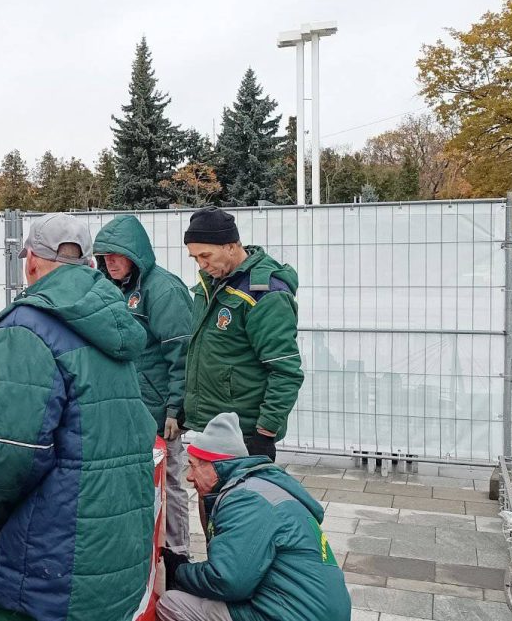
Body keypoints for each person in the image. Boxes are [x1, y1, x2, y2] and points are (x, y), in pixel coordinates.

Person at [0, 213, 157, 621]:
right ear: (90, 264)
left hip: (55, 564)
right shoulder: (114, 326)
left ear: (31, 260)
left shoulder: (27, 328)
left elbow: (11, 452)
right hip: (117, 549)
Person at [158, 412, 350, 621]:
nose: (189, 476)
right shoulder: (261, 488)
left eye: (194, 465)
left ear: (215, 465)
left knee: (172, 603)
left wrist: (177, 571)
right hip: (312, 610)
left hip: (294, 614)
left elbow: (229, 581)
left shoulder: (243, 501)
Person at [94, 214, 194, 558]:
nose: (111, 262)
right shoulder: (108, 289)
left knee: (169, 481)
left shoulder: (163, 289)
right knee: (131, 482)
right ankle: (140, 550)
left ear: (135, 254)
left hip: (156, 411)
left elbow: (182, 353)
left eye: (117, 255)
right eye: (105, 256)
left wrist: (176, 409)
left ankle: (176, 553)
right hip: (121, 409)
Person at [181, 207, 302, 461]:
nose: (202, 264)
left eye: (206, 255)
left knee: (238, 501)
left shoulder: (264, 294)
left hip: (244, 435)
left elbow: (285, 371)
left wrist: (265, 434)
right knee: (211, 500)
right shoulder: (210, 285)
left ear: (231, 246)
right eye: (195, 258)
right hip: (212, 427)